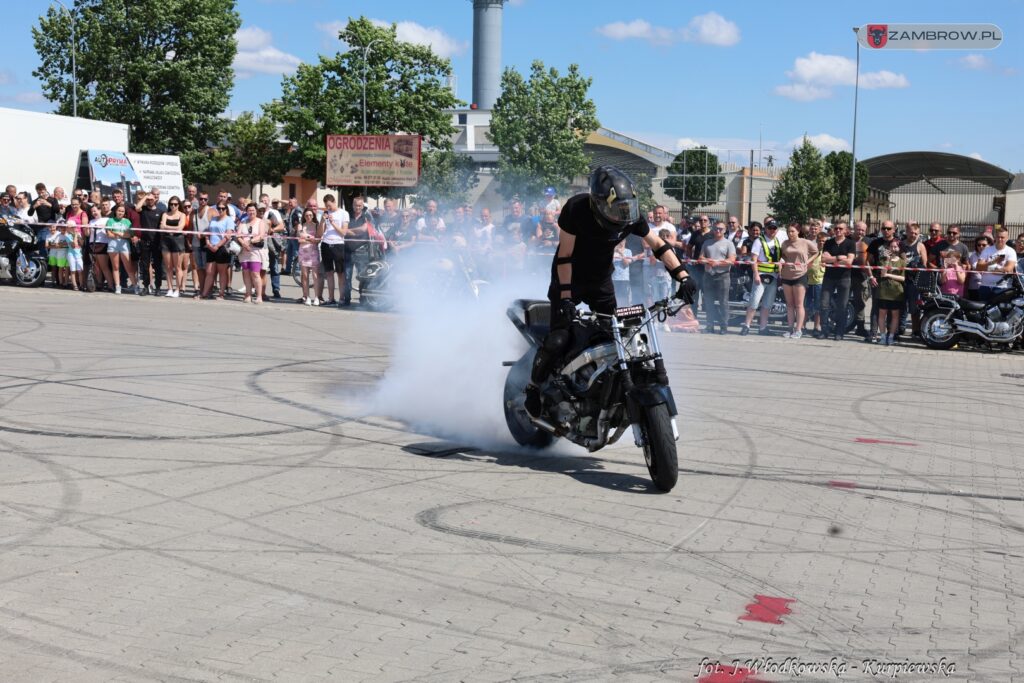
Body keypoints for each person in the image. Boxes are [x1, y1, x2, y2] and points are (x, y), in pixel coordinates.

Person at [524, 166, 696, 417]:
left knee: (616, 336)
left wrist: (683, 276)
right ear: (598, 203)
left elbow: (658, 245)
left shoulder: (630, 217)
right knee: (558, 339)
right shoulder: (577, 209)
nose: (622, 214)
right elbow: (565, 256)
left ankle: (604, 389)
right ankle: (533, 387)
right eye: (616, 208)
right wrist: (566, 298)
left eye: (626, 207)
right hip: (569, 279)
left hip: (601, 281)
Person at [741, 219, 783, 336]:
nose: (772, 230)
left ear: (777, 230)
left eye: (774, 228)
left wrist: (780, 274)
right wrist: (756, 275)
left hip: (773, 277)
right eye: (770, 228)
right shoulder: (759, 241)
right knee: (754, 302)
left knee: (767, 305)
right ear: (766, 229)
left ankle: (763, 328)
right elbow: (753, 260)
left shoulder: (777, 242)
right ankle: (746, 326)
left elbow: (778, 260)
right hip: (761, 276)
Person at [778, 223, 818, 339]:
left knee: (799, 304)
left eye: (792, 231)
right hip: (786, 275)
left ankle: (799, 329)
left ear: (798, 231)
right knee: (789, 305)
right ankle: (790, 329)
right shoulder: (785, 243)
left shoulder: (805, 242)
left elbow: (816, 252)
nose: (790, 234)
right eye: (788, 231)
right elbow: (784, 256)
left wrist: (807, 262)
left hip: (800, 275)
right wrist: (782, 261)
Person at [819, 221, 856, 340]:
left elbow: (849, 261)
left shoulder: (850, 243)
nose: (838, 230)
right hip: (829, 277)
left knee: (842, 306)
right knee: (824, 304)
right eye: (836, 228)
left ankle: (839, 332)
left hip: (844, 278)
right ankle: (824, 331)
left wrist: (832, 259)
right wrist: (839, 257)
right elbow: (824, 259)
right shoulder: (829, 242)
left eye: (840, 228)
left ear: (845, 230)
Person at [699, 221, 736, 334]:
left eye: (720, 229)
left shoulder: (728, 243)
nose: (718, 230)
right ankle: (710, 325)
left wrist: (718, 263)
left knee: (723, 302)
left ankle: (723, 327)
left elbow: (732, 260)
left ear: (725, 230)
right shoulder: (707, 242)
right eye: (716, 228)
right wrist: (708, 261)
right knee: (708, 302)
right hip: (708, 275)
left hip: (723, 276)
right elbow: (701, 258)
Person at [199, 202, 235, 300]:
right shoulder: (213, 219)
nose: (220, 210)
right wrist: (208, 242)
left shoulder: (229, 220)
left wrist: (217, 246)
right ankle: (204, 293)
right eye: (219, 208)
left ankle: (221, 294)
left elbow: (228, 236)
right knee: (209, 272)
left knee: (222, 272)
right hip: (211, 247)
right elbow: (208, 232)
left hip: (222, 248)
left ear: (226, 209)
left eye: (223, 208)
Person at [318, 194, 349, 306]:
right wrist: (322, 221)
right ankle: (331, 298)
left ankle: (341, 298)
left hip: (338, 245)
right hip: (326, 244)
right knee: (329, 273)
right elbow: (320, 234)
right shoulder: (325, 213)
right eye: (326, 206)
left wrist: (333, 223)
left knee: (340, 273)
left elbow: (343, 232)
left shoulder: (343, 213)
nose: (328, 208)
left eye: (329, 206)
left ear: (334, 202)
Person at [876, 236, 907, 346]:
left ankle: (891, 336)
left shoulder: (902, 262)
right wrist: (887, 259)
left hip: (896, 292)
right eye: (891, 246)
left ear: (899, 249)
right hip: (883, 291)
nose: (893, 249)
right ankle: (883, 336)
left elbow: (903, 278)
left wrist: (889, 275)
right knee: (882, 315)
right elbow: (882, 273)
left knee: (895, 315)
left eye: (895, 247)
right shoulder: (883, 259)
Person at [976, 227, 1019, 301]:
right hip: (985, 286)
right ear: (995, 237)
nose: (1000, 239)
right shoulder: (987, 250)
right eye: (998, 237)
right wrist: (993, 262)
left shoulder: (1011, 251)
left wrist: (988, 268)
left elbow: (1008, 269)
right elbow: (979, 267)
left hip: (1002, 287)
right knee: (982, 310)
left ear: (1007, 238)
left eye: (1002, 237)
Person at [236, 203, 266, 304]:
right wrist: (243, 243)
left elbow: (261, 235)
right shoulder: (243, 222)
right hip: (244, 251)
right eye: (249, 210)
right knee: (246, 273)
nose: (251, 212)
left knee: (255, 273)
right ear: (246, 212)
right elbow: (238, 235)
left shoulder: (260, 222)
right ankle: (248, 294)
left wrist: (250, 241)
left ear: (256, 211)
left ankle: (259, 296)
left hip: (255, 251)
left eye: (253, 210)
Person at [105, 203, 137, 294]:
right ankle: (118, 286)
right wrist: (121, 234)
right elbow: (109, 234)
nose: (120, 212)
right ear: (116, 211)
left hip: (124, 245)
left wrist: (117, 233)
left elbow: (128, 235)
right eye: (119, 211)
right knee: (115, 267)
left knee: (129, 267)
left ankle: (135, 286)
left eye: (122, 211)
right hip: (113, 245)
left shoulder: (127, 221)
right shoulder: (110, 220)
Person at [159, 196, 187, 298]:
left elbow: (180, 228)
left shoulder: (182, 214)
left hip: (178, 241)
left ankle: (177, 289)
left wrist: (167, 227)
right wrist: (171, 228)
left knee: (178, 267)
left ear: (178, 205)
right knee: (168, 267)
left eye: (175, 204)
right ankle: (170, 288)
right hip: (166, 241)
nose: (173, 206)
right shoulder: (165, 214)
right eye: (171, 204)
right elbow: (161, 227)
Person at [298, 208, 322, 306]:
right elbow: (299, 240)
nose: (308, 217)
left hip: (313, 252)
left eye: (310, 215)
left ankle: (316, 297)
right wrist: (310, 240)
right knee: (305, 276)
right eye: (306, 215)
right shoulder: (301, 225)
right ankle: (307, 296)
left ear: (313, 216)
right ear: (304, 216)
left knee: (315, 276)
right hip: (303, 252)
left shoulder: (316, 225)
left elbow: (318, 240)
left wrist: (307, 239)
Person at [805, 231, 827, 337]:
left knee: (818, 307)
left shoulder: (827, 253)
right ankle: (802, 326)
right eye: (819, 241)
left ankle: (816, 328)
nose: (821, 243)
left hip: (820, 282)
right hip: (809, 281)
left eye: (823, 241)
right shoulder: (812, 251)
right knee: (806, 306)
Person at [966, 235, 990, 301]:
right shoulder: (973, 256)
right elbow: (969, 270)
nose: (981, 247)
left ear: (989, 245)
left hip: (988, 286)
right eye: (979, 245)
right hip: (974, 287)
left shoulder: (993, 255)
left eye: (984, 245)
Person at [612, 239, 633, 305]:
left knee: (624, 298)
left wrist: (620, 253)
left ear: (625, 241)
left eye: (622, 241)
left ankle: (624, 312)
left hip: (624, 279)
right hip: (613, 278)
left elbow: (626, 264)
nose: (621, 243)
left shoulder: (628, 251)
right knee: (614, 297)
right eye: (620, 241)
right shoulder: (612, 251)